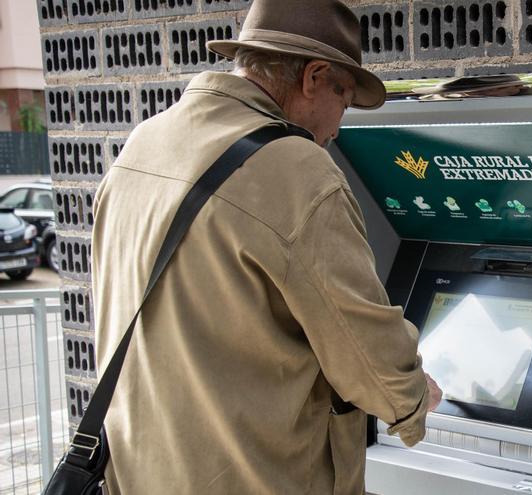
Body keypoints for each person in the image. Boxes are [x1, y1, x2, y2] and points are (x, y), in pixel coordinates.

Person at [91, 0, 442, 493]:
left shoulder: (144, 142)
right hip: (256, 476)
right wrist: (412, 397)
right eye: (343, 100)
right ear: (314, 77)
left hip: (142, 471)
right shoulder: (296, 170)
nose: (338, 128)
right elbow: (369, 355)